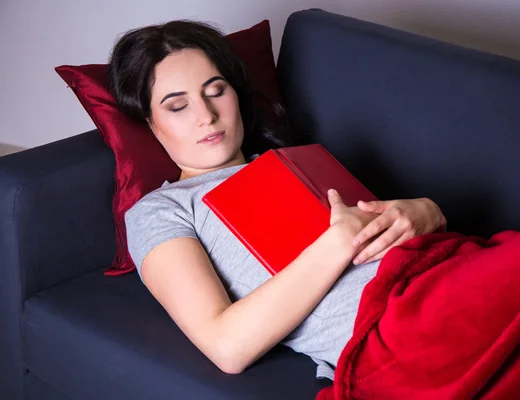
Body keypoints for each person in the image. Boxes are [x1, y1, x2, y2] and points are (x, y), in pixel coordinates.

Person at [108, 19, 447, 380]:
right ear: (150, 123)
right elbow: (227, 346)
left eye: (216, 90)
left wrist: (428, 212)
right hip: (399, 329)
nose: (206, 116)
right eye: (178, 106)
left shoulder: (299, 163)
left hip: (445, 269)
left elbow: (390, 234)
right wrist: (337, 243)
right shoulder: (160, 210)